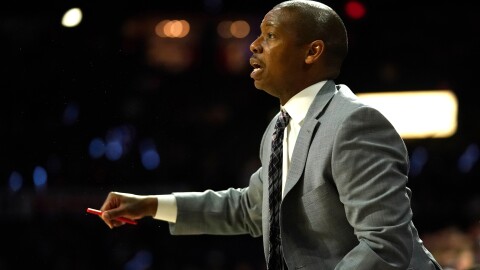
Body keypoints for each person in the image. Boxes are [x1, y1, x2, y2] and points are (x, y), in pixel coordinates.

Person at [97, 0, 443, 269]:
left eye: (271, 35)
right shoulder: (279, 128)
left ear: (312, 51)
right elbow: (250, 208)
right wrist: (151, 205)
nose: (254, 45)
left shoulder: (353, 124)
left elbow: (385, 244)